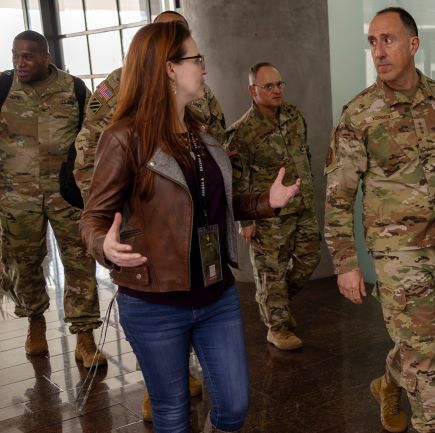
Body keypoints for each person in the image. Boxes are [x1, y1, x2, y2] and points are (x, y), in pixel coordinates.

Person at [80, 22, 300, 433]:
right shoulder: (123, 138)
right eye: (196, 60)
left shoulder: (202, 134)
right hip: (154, 303)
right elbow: (93, 216)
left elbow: (212, 205)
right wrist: (103, 246)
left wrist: (264, 203)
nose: (203, 68)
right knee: (172, 413)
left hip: (216, 295)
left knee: (234, 407)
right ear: (168, 69)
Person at [324, 7, 435, 433]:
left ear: (413, 44)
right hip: (397, 254)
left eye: (388, 40)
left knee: (433, 337)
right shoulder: (360, 114)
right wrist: (346, 263)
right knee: (425, 354)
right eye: (372, 42)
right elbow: (338, 195)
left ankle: (388, 383)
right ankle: (434, 423)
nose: (378, 51)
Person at [73, 10, 215, 418]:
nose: (198, 63)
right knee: (159, 303)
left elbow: (216, 145)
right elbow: (91, 155)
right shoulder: (118, 88)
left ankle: (176, 373)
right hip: (143, 229)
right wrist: (121, 219)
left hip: (192, 228)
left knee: (193, 292)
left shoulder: (197, 92)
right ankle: (162, 384)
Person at [0, 31, 106, 367]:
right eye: (16, 55)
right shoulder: (3, 87)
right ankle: (35, 321)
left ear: (47, 57)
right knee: (23, 263)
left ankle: (85, 335)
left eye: (29, 56)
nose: (21, 62)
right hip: (17, 198)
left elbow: (91, 138)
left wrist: (90, 186)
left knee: (79, 260)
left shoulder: (73, 89)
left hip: (66, 195)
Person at [74, 10, 226, 204]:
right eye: (164, 33)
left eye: (180, 32)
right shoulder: (120, 83)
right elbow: (89, 147)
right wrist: (110, 214)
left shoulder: (196, 88)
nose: (174, 40)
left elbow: (217, 140)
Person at [225, 62, 320, 351]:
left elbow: (305, 154)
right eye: (269, 86)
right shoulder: (242, 132)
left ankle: (272, 302)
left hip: (301, 206)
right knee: (271, 271)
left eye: (280, 84)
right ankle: (276, 327)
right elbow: (238, 181)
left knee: (309, 258)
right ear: (252, 90)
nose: (277, 90)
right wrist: (246, 222)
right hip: (268, 215)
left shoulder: (294, 116)